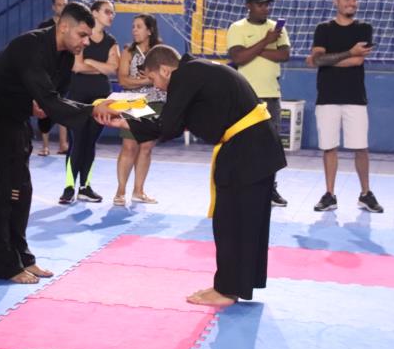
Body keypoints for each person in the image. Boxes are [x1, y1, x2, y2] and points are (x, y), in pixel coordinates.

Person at [97, 45, 287, 307]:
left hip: (248, 148)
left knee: (230, 220)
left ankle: (227, 290)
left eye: (153, 78)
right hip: (253, 146)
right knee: (244, 220)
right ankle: (234, 286)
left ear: (165, 70)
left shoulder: (186, 76)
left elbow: (167, 124)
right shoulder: (196, 72)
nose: (156, 86)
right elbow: (173, 122)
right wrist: (125, 119)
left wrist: (124, 114)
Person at [0, 3, 113, 283]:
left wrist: (44, 112)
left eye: (88, 37)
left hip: (17, 122)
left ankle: (23, 258)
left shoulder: (64, 57)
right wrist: (91, 109)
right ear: (64, 26)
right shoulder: (31, 46)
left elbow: (52, 100)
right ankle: (6, 266)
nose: (86, 42)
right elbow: (49, 100)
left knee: (21, 193)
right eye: (82, 35)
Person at [307, 0, 383, 214]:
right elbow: (318, 60)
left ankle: (365, 193)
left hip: (354, 97)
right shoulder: (323, 28)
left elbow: (357, 61)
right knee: (329, 147)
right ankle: (330, 194)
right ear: (336, 1)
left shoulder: (364, 28)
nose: (352, 3)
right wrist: (349, 53)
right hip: (327, 96)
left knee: (361, 147)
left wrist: (328, 59)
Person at [227, 0, 291, 207]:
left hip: (272, 95)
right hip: (246, 96)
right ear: (249, 6)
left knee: (271, 146)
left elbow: (284, 54)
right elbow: (238, 57)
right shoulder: (237, 28)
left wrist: (254, 48)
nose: (265, 8)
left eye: (267, 4)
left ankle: (269, 189)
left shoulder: (276, 28)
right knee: (243, 144)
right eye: (260, 4)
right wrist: (266, 41)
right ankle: (241, 187)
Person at [59, 0, 119, 204]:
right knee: (77, 141)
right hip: (77, 96)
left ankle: (85, 187)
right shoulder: (83, 36)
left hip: (101, 99)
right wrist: (102, 67)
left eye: (112, 13)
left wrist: (91, 62)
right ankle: (69, 187)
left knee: (90, 142)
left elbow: (113, 68)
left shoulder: (111, 41)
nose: (111, 16)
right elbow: (77, 66)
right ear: (94, 13)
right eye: (107, 12)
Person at [114, 14, 166, 206]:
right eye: (133, 27)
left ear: (149, 30)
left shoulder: (160, 52)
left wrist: (149, 80)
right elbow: (123, 80)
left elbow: (166, 77)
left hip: (156, 102)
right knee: (129, 147)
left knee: (146, 148)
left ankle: (138, 191)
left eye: (139, 26)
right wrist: (147, 80)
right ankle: (120, 191)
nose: (134, 30)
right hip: (134, 102)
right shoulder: (128, 52)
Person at [36, 0, 69, 156]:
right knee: (43, 108)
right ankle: (45, 146)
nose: (61, 7)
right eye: (59, 4)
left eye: (64, 5)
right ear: (53, 7)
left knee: (63, 108)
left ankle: (63, 144)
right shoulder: (44, 26)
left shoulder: (70, 26)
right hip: (46, 72)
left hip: (63, 72)